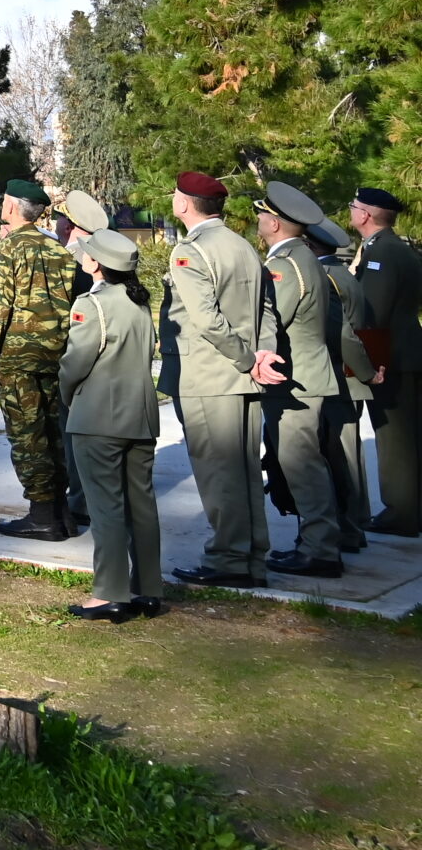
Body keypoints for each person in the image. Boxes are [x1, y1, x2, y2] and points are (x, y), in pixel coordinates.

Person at [161, 172, 288, 587]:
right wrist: (263, 352)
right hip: (242, 375)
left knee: (219, 472)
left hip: (211, 375)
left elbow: (206, 321)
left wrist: (248, 359)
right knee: (243, 470)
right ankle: (251, 556)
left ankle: (229, 559)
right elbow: (266, 310)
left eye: (176, 196)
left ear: (184, 204)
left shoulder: (191, 251)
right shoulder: (243, 246)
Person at [59, 230, 162, 621]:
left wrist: (68, 398)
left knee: (106, 508)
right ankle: (148, 588)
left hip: (99, 417)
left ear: (95, 264)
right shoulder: (139, 302)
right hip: (141, 416)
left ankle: (110, 593)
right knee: (142, 506)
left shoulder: (92, 304)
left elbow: (75, 363)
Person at [0, 179, 80, 540]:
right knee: (55, 434)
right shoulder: (59, 251)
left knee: (27, 436)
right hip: (57, 354)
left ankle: (43, 516)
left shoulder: (6, 251)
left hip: (18, 357)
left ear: (12, 208)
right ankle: (62, 511)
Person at [256, 183, 345, 577]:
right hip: (307, 374)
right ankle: (317, 542)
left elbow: (275, 317)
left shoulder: (286, 263)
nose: (258, 219)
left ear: (274, 222)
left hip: (295, 379)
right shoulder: (302, 256)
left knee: (301, 465)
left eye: (261, 214)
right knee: (305, 462)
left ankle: (320, 549)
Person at [351, 187, 422, 536]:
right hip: (405, 351)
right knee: (406, 435)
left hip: (391, 356)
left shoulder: (383, 253)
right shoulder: (394, 248)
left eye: (354, 207)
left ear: (365, 215)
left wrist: (370, 362)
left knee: (395, 439)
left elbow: (372, 313)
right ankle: (410, 508)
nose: (351, 212)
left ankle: (402, 512)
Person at [310, 216, 379, 549]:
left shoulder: (325, 279)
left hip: (338, 378)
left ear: (311, 245)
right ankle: (355, 525)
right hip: (348, 378)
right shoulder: (341, 274)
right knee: (347, 458)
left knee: (339, 460)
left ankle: (348, 530)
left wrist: (365, 371)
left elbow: (341, 332)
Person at [52, 188, 113, 528]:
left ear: (69, 226)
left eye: (62, 219)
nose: (58, 225)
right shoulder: (109, 254)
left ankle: (81, 502)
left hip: (77, 359)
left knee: (74, 435)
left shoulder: (74, 261)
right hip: (108, 363)